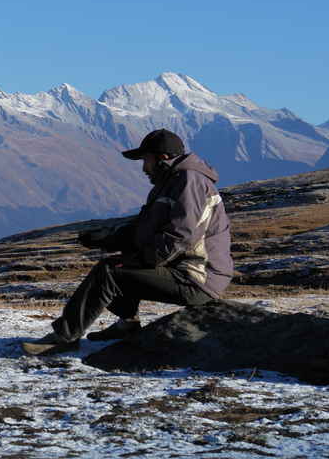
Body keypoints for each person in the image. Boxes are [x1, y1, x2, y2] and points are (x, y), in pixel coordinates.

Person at [22, 128, 233, 355]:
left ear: (162, 159)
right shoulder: (173, 182)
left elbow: (180, 236)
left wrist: (138, 259)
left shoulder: (189, 182)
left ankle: (64, 337)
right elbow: (147, 229)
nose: (144, 168)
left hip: (196, 277)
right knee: (121, 265)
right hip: (189, 271)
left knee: (110, 272)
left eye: (146, 160)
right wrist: (110, 239)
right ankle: (127, 325)